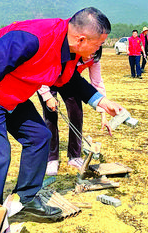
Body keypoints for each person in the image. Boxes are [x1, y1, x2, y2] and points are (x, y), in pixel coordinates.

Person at [0, 7, 123, 220]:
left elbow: (69, 79)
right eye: (98, 44)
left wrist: (100, 100)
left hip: (14, 94)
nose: (98, 50)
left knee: (39, 137)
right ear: (81, 39)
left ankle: (27, 199)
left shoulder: (68, 49)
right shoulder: (33, 38)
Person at [39, 47, 110, 176]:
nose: (90, 56)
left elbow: (97, 83)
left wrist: (103, 114)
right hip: (47, 80)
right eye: (90, 51)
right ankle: (52, 158)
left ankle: (74, 156)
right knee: (51, 117)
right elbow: (41, 69)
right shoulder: (66, 52)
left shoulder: (93, 59)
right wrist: (47, 96)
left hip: (69, 80)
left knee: (76, 113)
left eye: (94, 53)